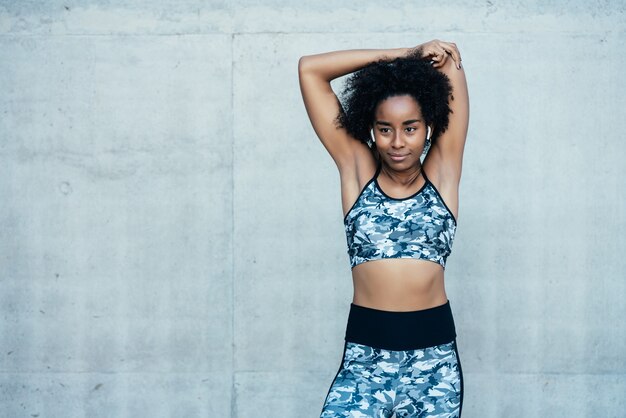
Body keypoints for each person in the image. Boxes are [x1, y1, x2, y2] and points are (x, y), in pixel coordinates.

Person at [297, 39, 469, 418]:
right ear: (371, 129)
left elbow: (452, 65)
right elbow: (310, 70)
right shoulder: (357, 171)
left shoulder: (443, 175)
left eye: (410, 128)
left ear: (429, 127)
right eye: (384, 128)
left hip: (433, 367)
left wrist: (433, 58)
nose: (397, 142)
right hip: (365, 363)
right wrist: (402, 56)